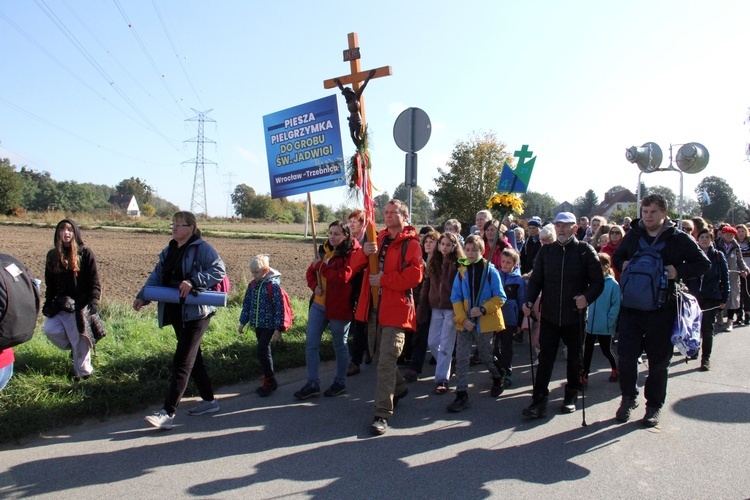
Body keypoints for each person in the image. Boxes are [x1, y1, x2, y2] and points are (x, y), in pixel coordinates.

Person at [613, 195, 710, 427]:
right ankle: (628, 398)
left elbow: (703, 263)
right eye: (645, 211)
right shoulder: (634, 235)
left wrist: (678, 271)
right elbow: (617, 257)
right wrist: (622, 264)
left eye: (653, 212)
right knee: (626, 357)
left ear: (664, 214)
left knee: (658, 362)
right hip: (631, 308)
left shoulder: (678, 238)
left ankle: (653, 407)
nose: (647, 216)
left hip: (662, 310)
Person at [133, 211, 226, 430]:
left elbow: (219, 270)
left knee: (182, 359)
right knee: (194, 358)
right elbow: (156, 276)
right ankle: (210, 401)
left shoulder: (202, 248)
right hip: (176, 310)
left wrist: (194, 280)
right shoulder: (169, 250)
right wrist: (142, 296)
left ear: (191, 228)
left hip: (197, 311)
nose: (174, 228)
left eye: (179, 224)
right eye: (172, 224)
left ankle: (168, 412)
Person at [350, 199, 423, 436]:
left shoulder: (411, 244)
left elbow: (414, 276)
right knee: (381, 358)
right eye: (387, 212)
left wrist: (384, 280)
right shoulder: (378, 238)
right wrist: (364, 251)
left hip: (396, 309)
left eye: (394, 213)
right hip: (374, 307)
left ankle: (381, 413)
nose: (389, 216)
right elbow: (354, 265)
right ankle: (399, 388)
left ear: (405, 216)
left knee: (386, 360)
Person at [522, 212, 604, 419]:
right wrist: (529, 301)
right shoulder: (546, 251)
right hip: (549, 315)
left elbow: (598, 282)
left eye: (565, 225)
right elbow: (535, 281)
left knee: (575, 359)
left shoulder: (585, 251)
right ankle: (538, 400)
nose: (560, 229)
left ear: (575, 229)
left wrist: (586, 297)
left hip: (574, 316)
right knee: (545, 358)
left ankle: (571, 396)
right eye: (558, 225)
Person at [295, 221, 360, 399]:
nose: (332, 237)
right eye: (330, 233)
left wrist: (321, 267)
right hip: (319, 304)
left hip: (340, 306)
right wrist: (315, 286)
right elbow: (310, 273)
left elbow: (343, 276)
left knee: (340, 345)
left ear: (346, 235)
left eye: (337, 234)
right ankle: (312, 383)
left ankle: (340, 382)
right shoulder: (323, 250)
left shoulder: (352, 253)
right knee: (311, 343)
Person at [449, 234, 507, 412]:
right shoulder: (461, 271)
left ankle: (498, 376)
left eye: (475, 250)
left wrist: (482, 309)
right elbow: (456, 297)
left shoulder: (490, 270)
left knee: (485, 355)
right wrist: (463, 319)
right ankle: (461, 394)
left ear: (482, 251)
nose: (471, 253)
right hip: (465, 323)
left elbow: (500, 297)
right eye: (467, 250)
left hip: (485, 322)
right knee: (462, 358)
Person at [42, 218, 101, 379]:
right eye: (62, 229)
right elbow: (50, 285)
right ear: (57, 233)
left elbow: (94, 280)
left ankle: (84, 375)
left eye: (69, 230)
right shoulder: (53, 255)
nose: (65, 233)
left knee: (79, 339)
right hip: (61, 304)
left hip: (80, 305)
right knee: (50, 330)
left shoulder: (85, 253)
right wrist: (48, 303)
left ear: (75, 233)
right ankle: (76, 351)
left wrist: (94, 300)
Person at [422, 232, 464, 393]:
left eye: (448, 244)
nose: (444, 247)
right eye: (442, 244)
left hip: (452, 308)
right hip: (436, 307)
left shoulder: (459, 262)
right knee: (432, 342)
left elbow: (472, 267)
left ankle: (442, 380)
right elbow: (427, 284)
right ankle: (447, 365)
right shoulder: (434, 261)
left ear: (454, 246)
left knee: (446, 343)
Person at [238, 254, 285, 396]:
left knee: (261, 350)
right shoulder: (253, 285)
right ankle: (270, 379)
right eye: (252, 272)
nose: (254, 275)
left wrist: (278, 328)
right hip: (258, 323)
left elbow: (279, 308)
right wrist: (243, 322)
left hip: (269, 325)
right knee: (265, 351)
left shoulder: (273, 286)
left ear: (265, 270)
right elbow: (247, 304)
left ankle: (269, 379)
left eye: (256, 272)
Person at [686, 229, 729, 371]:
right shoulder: (693, 256)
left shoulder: (717, 256)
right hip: (695, 296)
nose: (704, 239)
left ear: (712, 239)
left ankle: (706, 358)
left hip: (712, 296)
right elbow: (686, 275)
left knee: (707, 327)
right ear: (697, 239)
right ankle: (694, 349)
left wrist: (725, 297)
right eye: (702, 237)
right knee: (694, 325)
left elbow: (725, 277)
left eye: (707, 237)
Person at [404, 228, 440, 381]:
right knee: (421, 335)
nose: (428, 245)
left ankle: (445, 363)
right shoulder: (420, 261)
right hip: (422, 303)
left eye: (432, 242)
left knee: (437, 338)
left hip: (438, 304)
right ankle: (415, 367)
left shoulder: (441, 263)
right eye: (426, 242)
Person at [582, 253, 620, 384]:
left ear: (606, 266)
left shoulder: (613, 285)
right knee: (587, 351)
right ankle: (584, 375)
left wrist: (609, 321)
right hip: (590, 323)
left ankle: (616, 369)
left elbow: (615, 306)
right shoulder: (589, 282)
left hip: (604, 325)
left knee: (606, 350)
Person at [496, 248, 525, 387]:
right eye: (503, 261)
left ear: (514, 264)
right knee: (493, 347)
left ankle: (507, 371)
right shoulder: (496, 275)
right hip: (495, 316)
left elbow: (521, 303)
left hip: (510, 318)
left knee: (506, 346)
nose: (505, 264)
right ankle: (498, 370)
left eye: (508, 262)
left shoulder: (518, 280)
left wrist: (520, 323)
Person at [347, 209, 370, 376]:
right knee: (357, 324)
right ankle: (360, 355)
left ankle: (357, 359)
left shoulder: (371, 239)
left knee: (363, 323)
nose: (352, 224)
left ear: (364, 224)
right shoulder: (347, 241)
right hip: (351, 285)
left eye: (356, 221)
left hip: (367, 285)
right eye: (351, 221)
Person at [716, 225, 749, 331]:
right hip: (719, 275)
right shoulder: (717, 245)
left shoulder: (736, 247)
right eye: (727, 234)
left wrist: (745, 269)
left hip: (733, 276)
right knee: (720, 296)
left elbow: (740, 260)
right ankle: (719, 315)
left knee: (733, 298)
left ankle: (730, 321)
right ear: (723, 234)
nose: (729, 236)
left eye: (731, 235)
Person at [736, 224, 750, 325]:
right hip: (737, 273)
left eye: (742, 231)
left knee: (747, 294)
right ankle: (739, 315)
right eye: (739, 231)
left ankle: (748, 315)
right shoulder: (734, 244)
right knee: (739, 294)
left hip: (748, 272)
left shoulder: (749, 243)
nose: (741, 234)